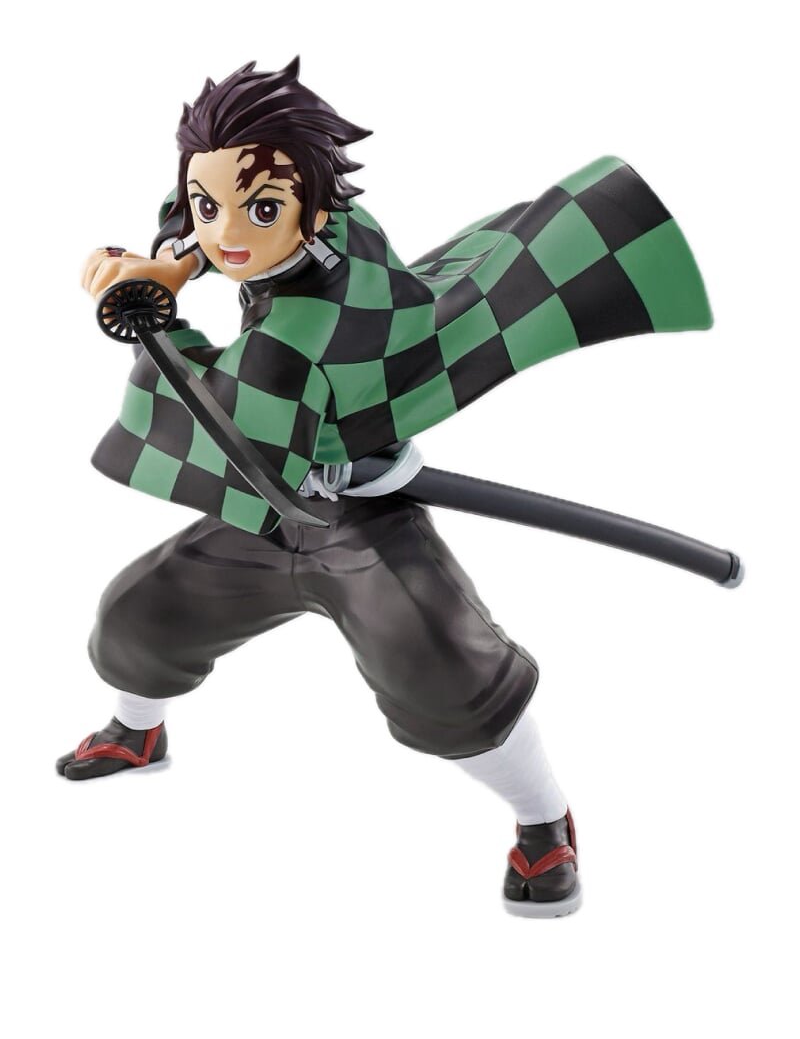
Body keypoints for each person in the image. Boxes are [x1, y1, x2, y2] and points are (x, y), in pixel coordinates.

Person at [57, 59, 712, 918]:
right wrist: (169, 264)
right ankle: (137, 733)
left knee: (445, 669)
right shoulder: (323, 217)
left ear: (312, 205)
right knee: (141, 614)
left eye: (261, 210)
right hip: (272, 510)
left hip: (350, 513)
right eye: (211, 205)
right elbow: (208, 223)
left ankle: (543, 822)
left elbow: (218, 421)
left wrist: (156, 321)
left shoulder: (307, 322)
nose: (229, 234)